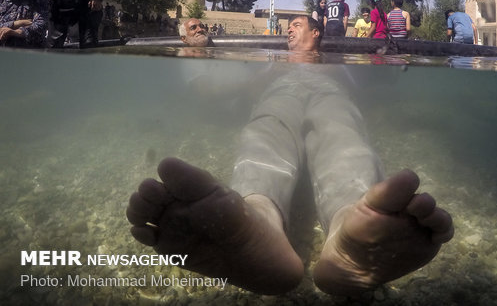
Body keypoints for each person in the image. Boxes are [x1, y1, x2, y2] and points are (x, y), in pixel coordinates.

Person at [127, 15, 454, 297]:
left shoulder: (336, 64)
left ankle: (349, 226)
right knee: (266, 129)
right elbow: (240, 90)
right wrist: (264, 79)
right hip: (279, 94)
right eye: (287, 27)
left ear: (316, 34)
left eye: (296, 25)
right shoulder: (271, 60)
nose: (288, 31)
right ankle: (257, 218)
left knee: (340, 132)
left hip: (330, 94)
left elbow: (365, 88)